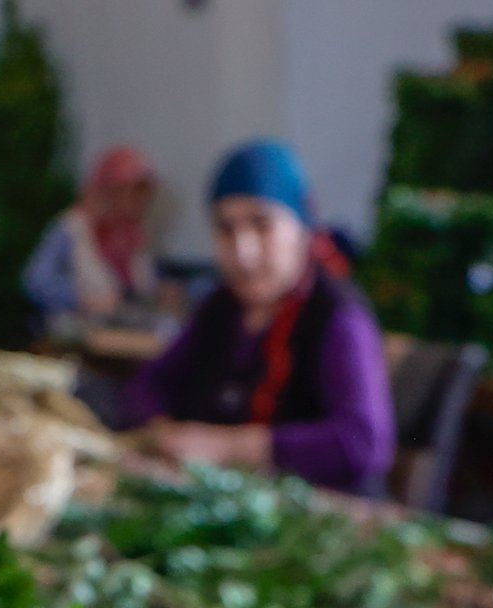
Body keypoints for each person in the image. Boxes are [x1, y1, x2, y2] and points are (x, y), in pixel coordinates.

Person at [120, 140, 395, 498]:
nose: (243, 252)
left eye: (262, 225)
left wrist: (225, 447)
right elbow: (149, 385)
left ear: (301, 227)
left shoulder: (337, 316)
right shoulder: (221, 308)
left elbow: (362, 444)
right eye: (225, 229)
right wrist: (163, 434)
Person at [24, 145, 162, 322]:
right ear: (112, 190)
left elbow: (133, 290)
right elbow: (37, 281)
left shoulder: (132, 236)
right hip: (75, 335)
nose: (140, 203)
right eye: (134, 193)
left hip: (117, 333)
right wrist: (82, 300)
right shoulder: (72, 227)